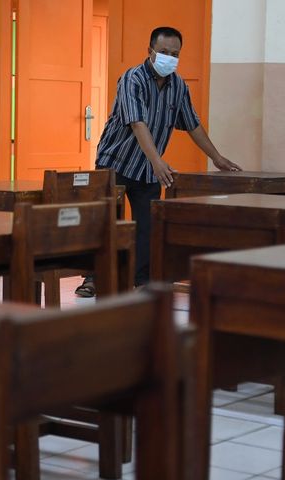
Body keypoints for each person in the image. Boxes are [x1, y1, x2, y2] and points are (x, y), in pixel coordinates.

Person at [75, 26, 241, 296]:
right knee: (106, 223)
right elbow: (137, 123)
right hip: (115, 162)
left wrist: (217, 157)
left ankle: (142, 282)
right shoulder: (132, 79)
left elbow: (193, 125)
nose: (169, 58)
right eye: (164, 52)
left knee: (146, 226)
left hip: (148, 170)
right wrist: (157, 161)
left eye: (175, 54)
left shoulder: (179, 86)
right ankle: (93, 278)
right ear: (150, 51)